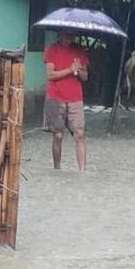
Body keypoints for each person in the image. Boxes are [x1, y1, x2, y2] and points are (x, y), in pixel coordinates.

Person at [43, 31, 90, 170]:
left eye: (72, 34)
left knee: (80, 134)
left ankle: (82, 170)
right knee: (58, 135)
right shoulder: (51, 50)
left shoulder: (80, 51)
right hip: (55, 97)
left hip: (75, 98)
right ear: (60, 34)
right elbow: (50, 75)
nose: (69, 36)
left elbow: (85, 77)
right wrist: (70, 70)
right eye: (66, 33)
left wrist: (78, 69)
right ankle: (57, 168)